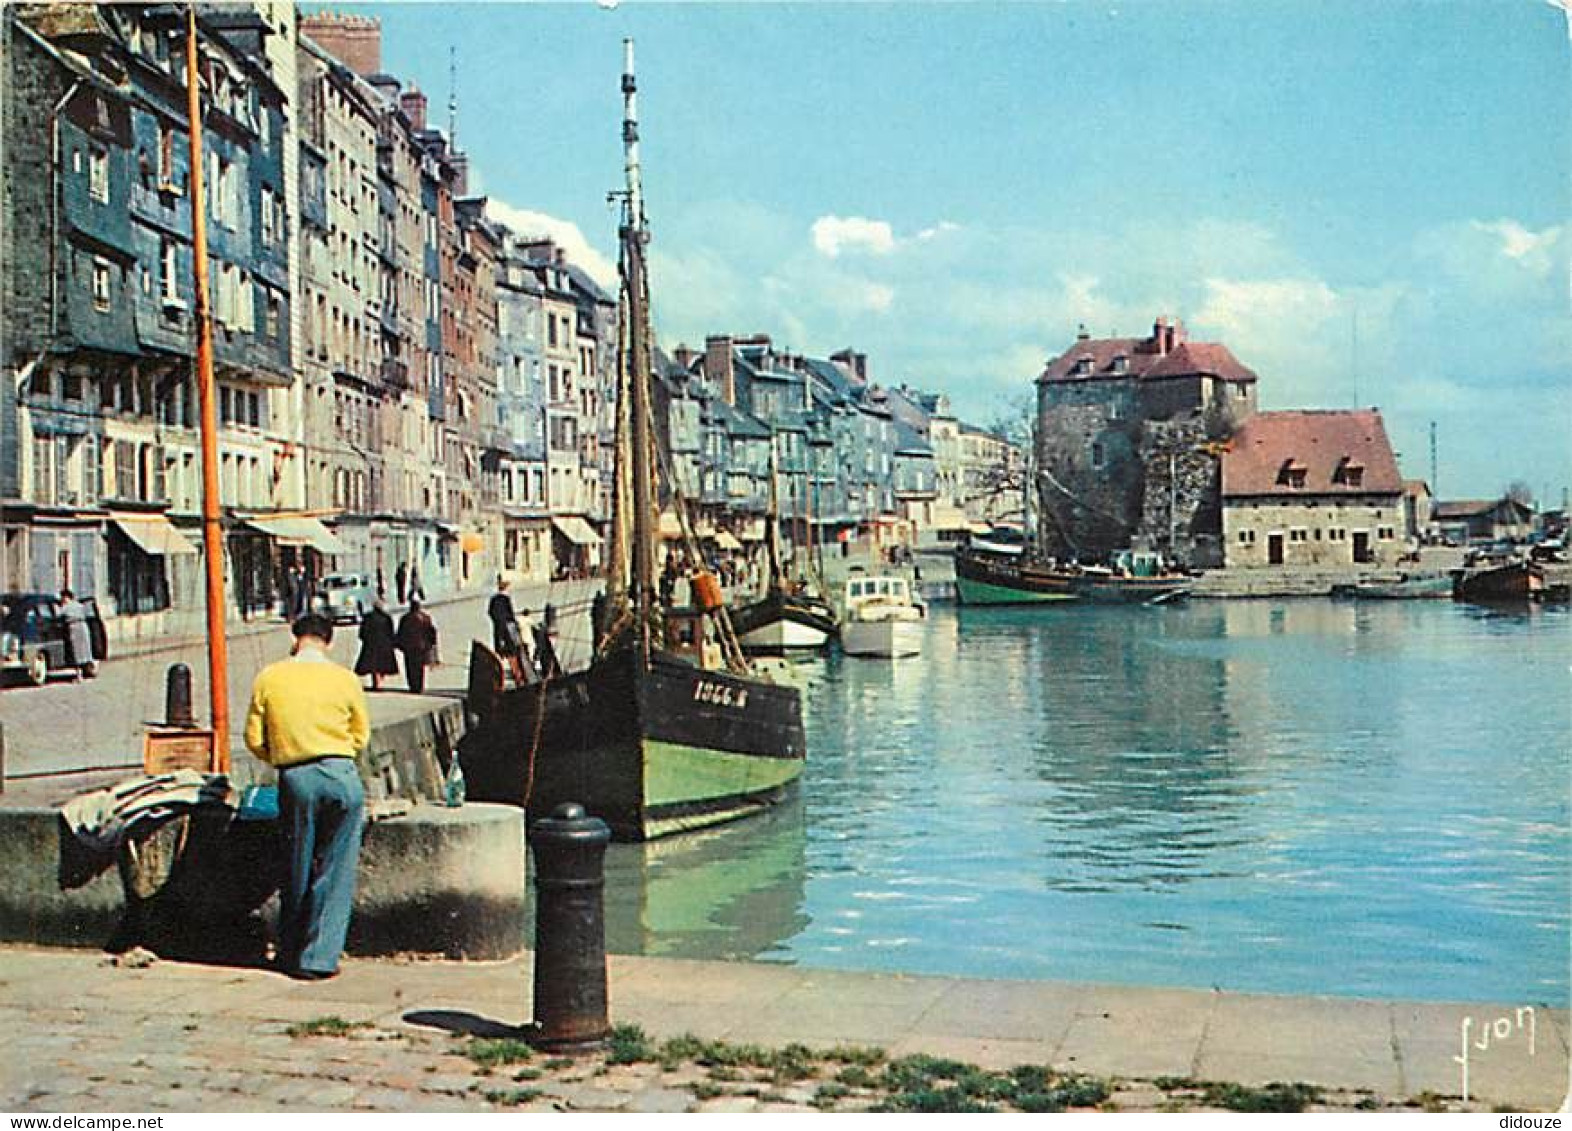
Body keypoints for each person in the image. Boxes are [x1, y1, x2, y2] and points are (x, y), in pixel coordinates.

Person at [243, 614, 370, 981]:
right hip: (342, 774)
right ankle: (319, 959)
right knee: (336, 868)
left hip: (297, 775)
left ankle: (290, 950)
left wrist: (283, 757)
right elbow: (360, 734)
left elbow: (254, 738)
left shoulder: (270, 677)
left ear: (295, 638)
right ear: (328, 642)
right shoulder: (345, 678)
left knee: (296, 864)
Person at [487, 577, 526, 686]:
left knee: (504, 654)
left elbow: (490, 613)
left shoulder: (493, 599)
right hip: (508, 629)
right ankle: (517, 676)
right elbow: (510, 615)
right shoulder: (505, 599)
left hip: (499, 630)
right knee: (513, 653)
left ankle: (511, 675)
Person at [394, 597, 438, 693]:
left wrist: (399, 644)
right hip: (422, 647)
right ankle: (419, 686)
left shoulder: (405, 618)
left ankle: (412, 685)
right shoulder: (426, 618)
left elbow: (401, 633)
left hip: (409, 648)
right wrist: (431, 644)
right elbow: (431, 632)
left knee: (410, 667)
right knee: (420, 668)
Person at [354, 598, 399, 691]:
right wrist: (392, 642)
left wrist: (365, 639)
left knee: (373, 666)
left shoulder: (368, 617)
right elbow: (390, 632)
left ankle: (376, 683)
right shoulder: (386, 618)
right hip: (384, 644)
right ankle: (378, 683)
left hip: (371, 644)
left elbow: (362, 632)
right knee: (382, 666)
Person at [58, 588, 96, 678]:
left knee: (78, 652)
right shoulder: (79, 605)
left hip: (74, 627)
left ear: (67, 597)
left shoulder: (66, 607)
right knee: (85, 650)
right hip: (82, 626)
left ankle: (80, 674)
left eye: (64, 597)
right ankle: (89, 670)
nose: (62, 599)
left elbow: (58, 614)